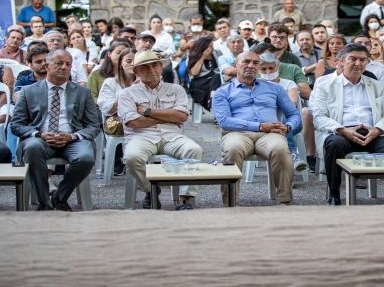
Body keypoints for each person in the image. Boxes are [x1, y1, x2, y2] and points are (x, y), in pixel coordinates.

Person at [311, 43, 384, 205]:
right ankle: (334, 194)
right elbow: (319, 116)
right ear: (341, 61)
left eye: (362, 60)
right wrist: (342, 130)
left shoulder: (376, 85)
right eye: (352, 59)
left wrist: (378, 130)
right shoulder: (325, 85)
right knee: (334, 145)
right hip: (341, 132)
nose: (358, 64)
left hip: (372, 133)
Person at [10, 49, 100, 211]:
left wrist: (72, 136)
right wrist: (39, 134)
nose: (64, 67)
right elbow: (16, 125)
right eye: (59, 63)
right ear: (47, 65)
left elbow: (93, 125)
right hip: (40, 139)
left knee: (85, 157)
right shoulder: (28, 91)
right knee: (32, 147)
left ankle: (59, 197)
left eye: (68, 64)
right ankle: (44, 202)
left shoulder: (82, 93)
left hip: (72, 140)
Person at [213, 51, 301, 205]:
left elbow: (294, 114)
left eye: (255, 63)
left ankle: (284, 201)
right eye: (246, 62)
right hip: (237, 133)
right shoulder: (223, 91)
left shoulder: (275, 88)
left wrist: (287, 127)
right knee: (232, 149)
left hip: (270, 135)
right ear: (236, 65)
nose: (251, 66)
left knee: (280, 148)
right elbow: (224, 121)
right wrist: (259, 126)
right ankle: (230, 203)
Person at [119, 50, 203, 210]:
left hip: (172, 136)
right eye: (144, 67)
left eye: (155, 65)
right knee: (132, 157)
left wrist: (148, 112)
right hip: (141, 136)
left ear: (160, 67)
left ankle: (186, 198)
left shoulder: (176, 89)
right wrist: (169, 116)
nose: (151, 69)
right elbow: (134, 122)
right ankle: (151, 188)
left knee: (194, 150)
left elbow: (182, 117)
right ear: (136, 71)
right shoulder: (126, 94)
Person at [257, 52, 307, 171]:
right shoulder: (256, 84)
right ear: (258, 69)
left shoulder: (289, 83)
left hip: (290, 123)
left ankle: (290, 158)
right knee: (279, 126)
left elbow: (291, 104)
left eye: (271, 68)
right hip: (265, 124)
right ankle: (293, 156)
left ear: (278, 67)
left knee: (283, 122)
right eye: (263, 69)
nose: (268, 72)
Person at [187, 37, 221, 111]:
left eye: (212, 46)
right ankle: (214, 105)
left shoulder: (217, 53)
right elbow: (194, 73)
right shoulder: (195, 55)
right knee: (216, 77)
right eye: (209, 46)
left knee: (217, 77)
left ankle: (213, 102)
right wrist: (202, 57)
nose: (212, 48)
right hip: (200, 82)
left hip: (216, 81)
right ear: (203, 47)